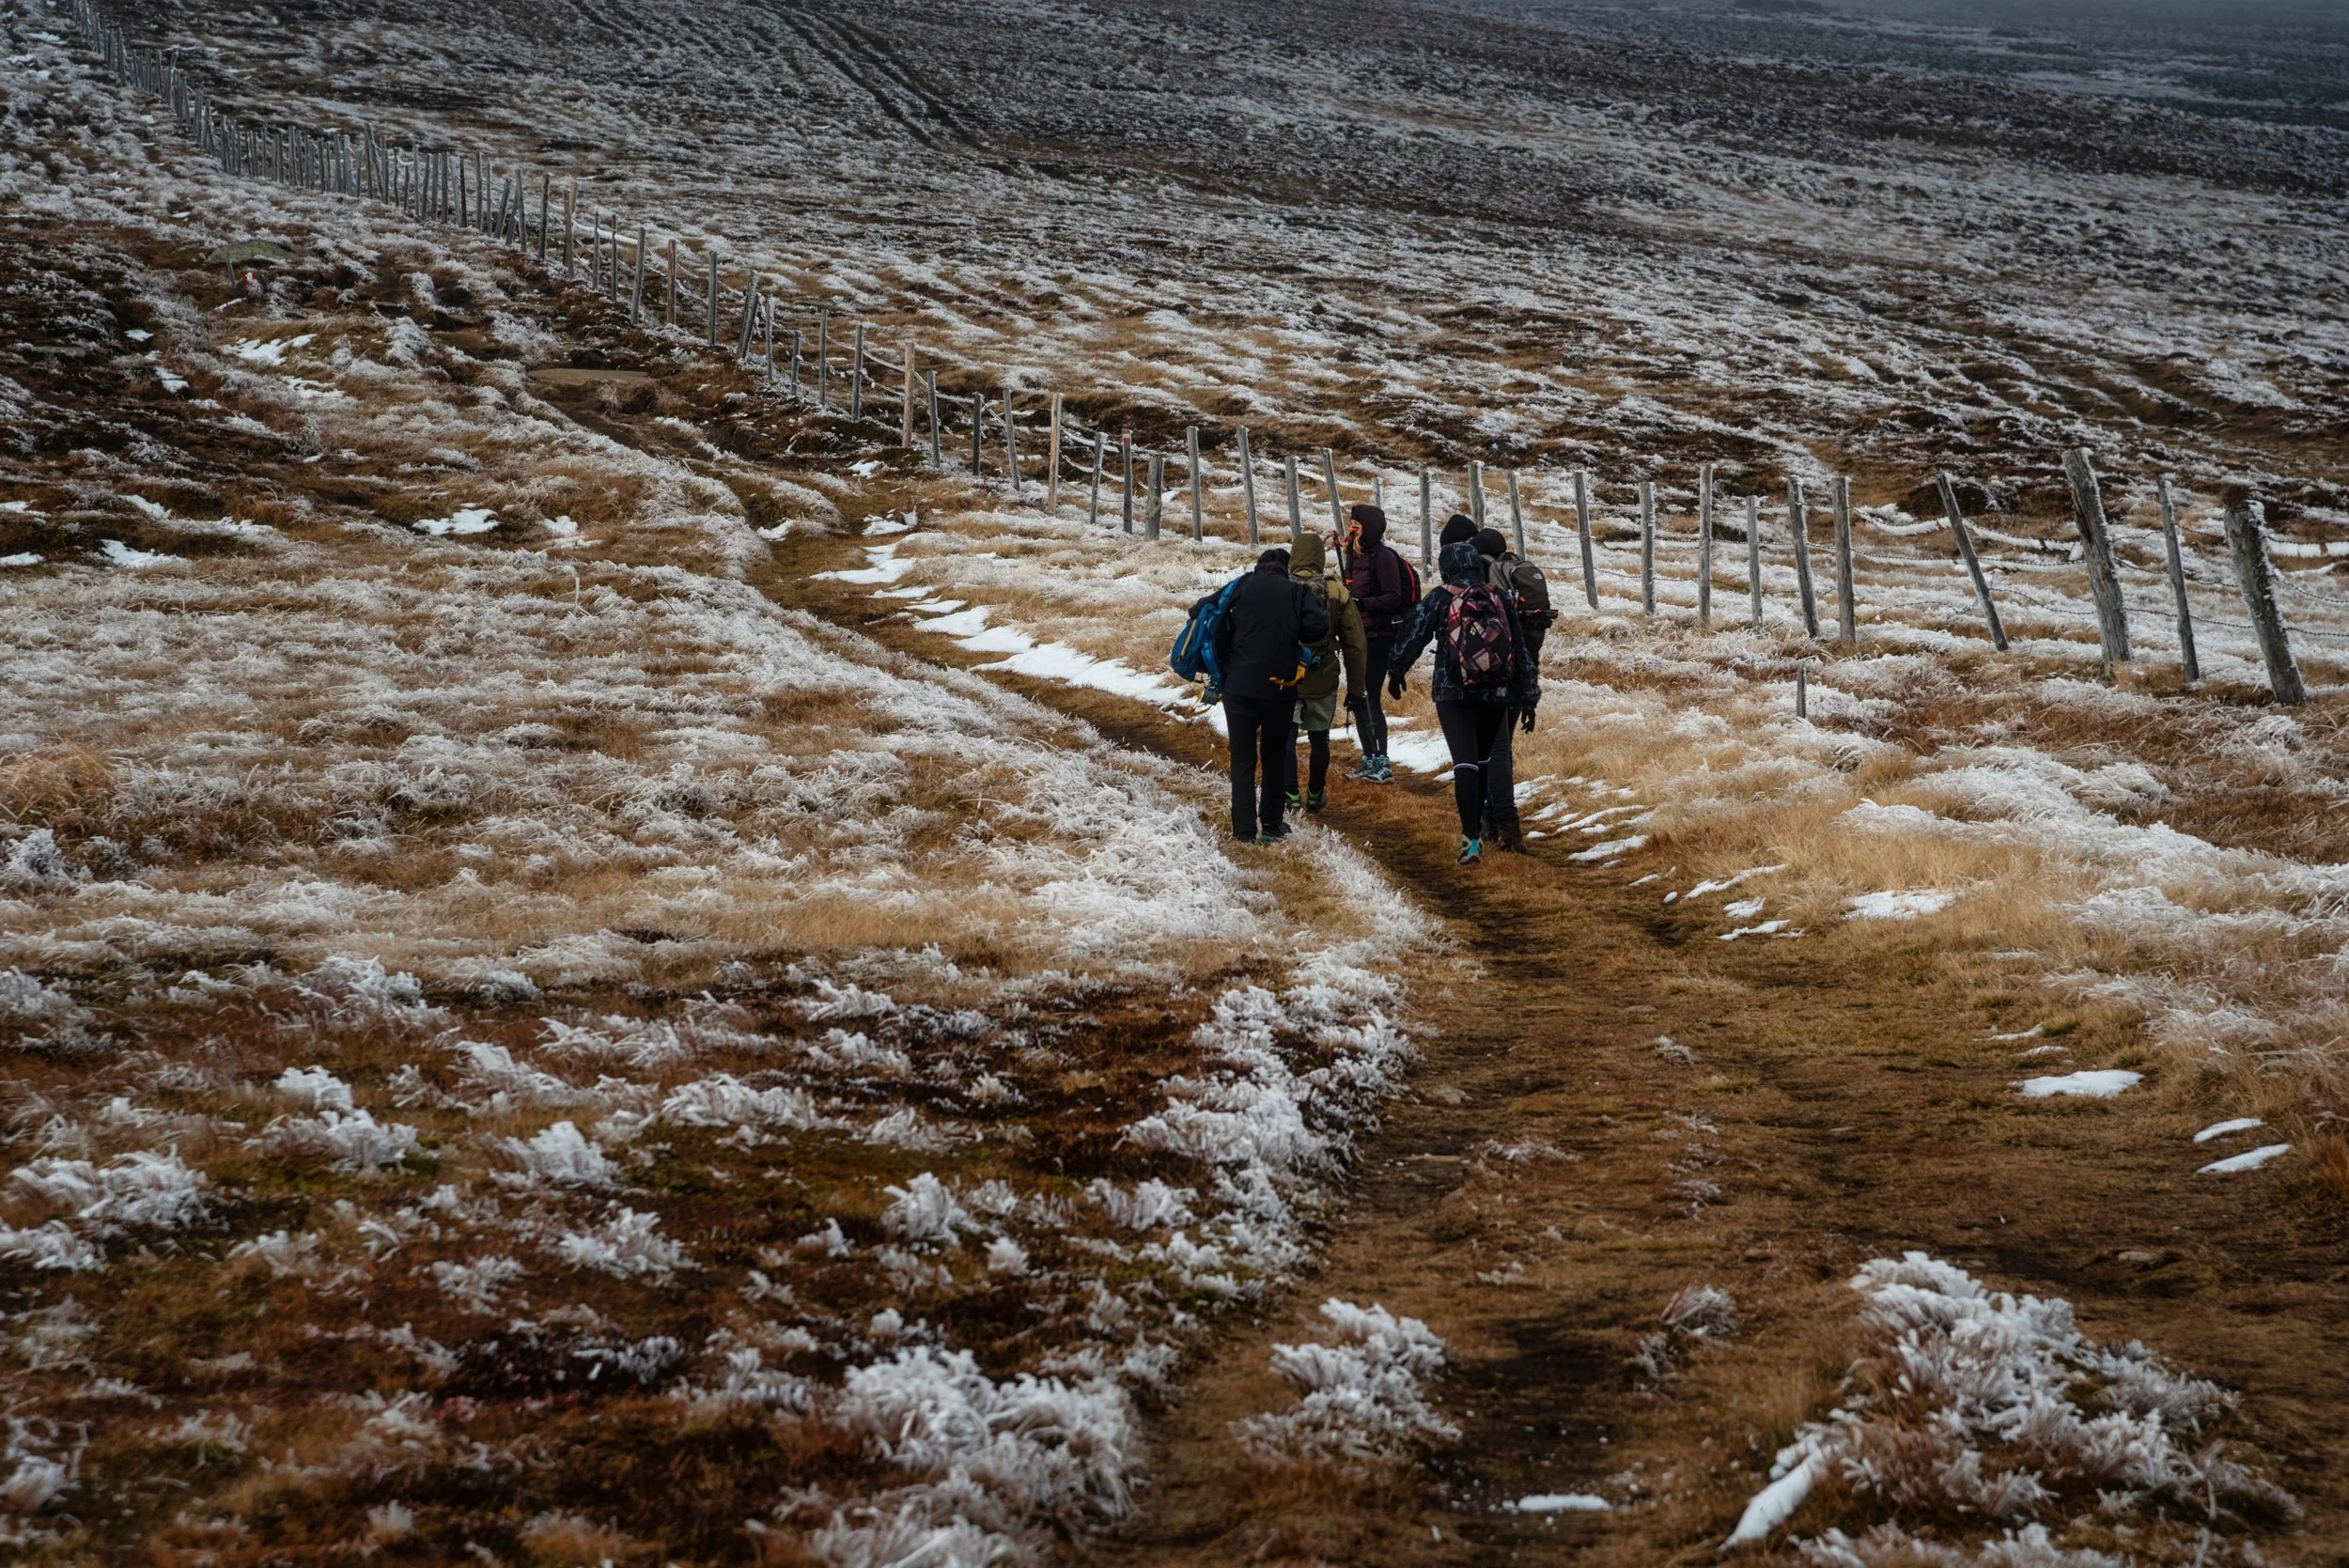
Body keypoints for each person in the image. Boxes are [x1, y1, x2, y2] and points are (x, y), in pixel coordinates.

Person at [1387, 540, 1539, 864]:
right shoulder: (1498, 597)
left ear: (1447, 567)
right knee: (1483, 761)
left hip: (1452, 690)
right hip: (1495, 692)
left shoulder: (1441, 596)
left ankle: (1471, 838)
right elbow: (1520, 649)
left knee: (1464, 764)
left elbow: (1413, 636)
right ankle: (1483, 828)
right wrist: (1528, 698)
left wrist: (1396, 671)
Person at [1213, 547, 1330, 843]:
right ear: (1285, 569)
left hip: (1238, 687)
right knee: (1274, 755)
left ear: (1259, 566)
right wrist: (1293, 633)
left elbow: (1214, 625)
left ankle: (1244, 832)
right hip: (1279, 688)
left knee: (1242, 759)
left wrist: (1229, 666)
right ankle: (1272, 825)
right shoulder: (1296, 592)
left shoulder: (1240, 587)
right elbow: (1319, 627)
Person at [1471, 527, 1555, 854]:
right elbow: (1526, 646)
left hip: (1492, 678)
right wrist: (1530, 693)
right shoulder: (1515, 577)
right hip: (1519, 675)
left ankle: (1508, 829)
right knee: (1500, 749)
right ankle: (1493, 824)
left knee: (1494, 752)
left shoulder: (1485, 584)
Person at [1283, 533, 1367, 815]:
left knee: (1286, 739)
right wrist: (1356, 689)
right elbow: (1355, 644)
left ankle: (1290, 796)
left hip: (1286, 677)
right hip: (1324, 675)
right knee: (1320, 740)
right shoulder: (1337, 591)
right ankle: (1315, 794)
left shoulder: (1282, 588)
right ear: (1320, 556)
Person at [1340, 504, 1416, 785]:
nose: (1351, 530)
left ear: (1368, 527)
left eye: (1356, 525)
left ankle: (1381, 763)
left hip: (1380, 637)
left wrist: (1360, 604)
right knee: (1359, 696)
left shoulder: (1383, 557)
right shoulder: (1354, 556)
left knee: (1369, 695)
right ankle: (1369, 759)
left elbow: (1393, 597)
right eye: (1350, 525)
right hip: (1359, 636)